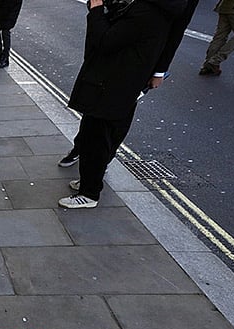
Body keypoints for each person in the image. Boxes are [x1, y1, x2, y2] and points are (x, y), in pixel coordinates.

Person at [59, 0, 188, 210]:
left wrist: (97, 10)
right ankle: (90, 181)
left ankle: (89, 193)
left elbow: (104, 41)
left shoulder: (145, 11)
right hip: (126, 79)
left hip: (111, 81)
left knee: (97, 136)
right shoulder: (160, 8)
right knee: (107, 132)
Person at [0, 0, 22, 68]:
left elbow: (6, 6)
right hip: (2, 9)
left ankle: (5, 58)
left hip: (9, 11)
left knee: (5, 30)